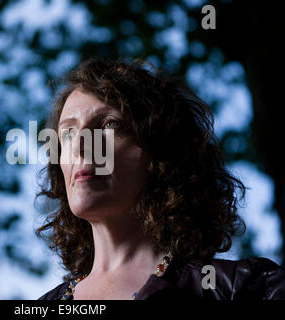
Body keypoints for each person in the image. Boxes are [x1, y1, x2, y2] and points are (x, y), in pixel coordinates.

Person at [35, 57, 285, 300]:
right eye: (67, 133)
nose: (79, 144)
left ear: (160, 152)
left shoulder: (249, 289)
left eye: (109, 124)